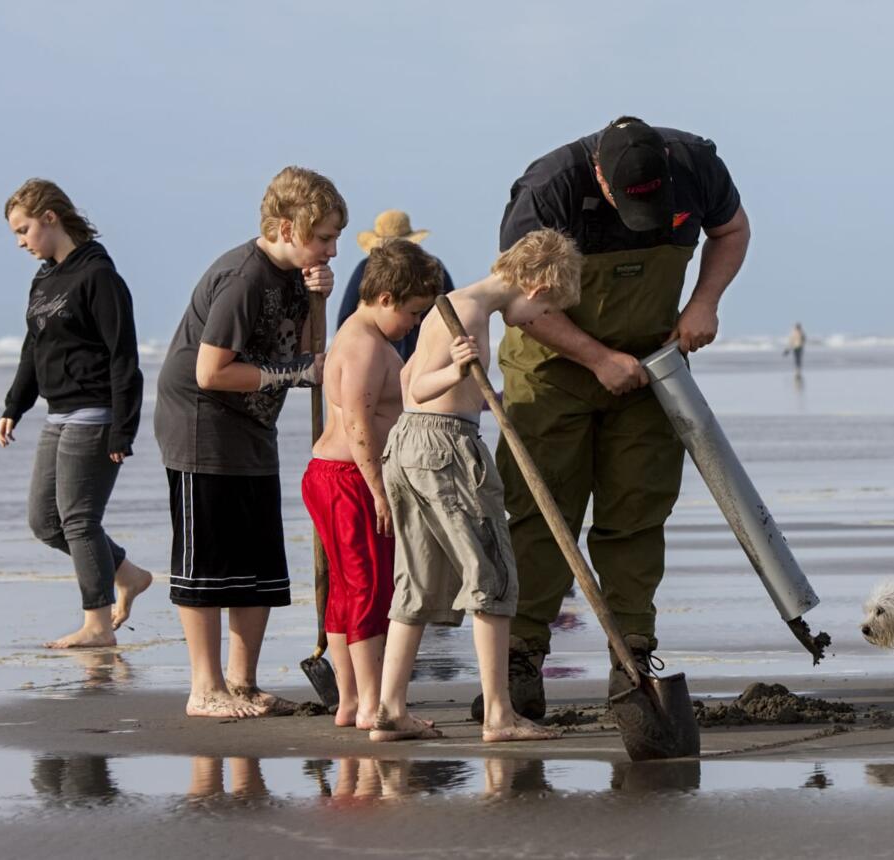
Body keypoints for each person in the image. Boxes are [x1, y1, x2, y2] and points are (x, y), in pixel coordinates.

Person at [494, 116, 750, 716]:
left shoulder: (698, 166)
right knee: (540, 512)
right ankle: (520, 658)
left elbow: (732, 230)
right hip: (552, 370)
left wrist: (704, 303)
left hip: (652, 367)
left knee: (638, 507)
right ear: (601, 179)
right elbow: (514, 300)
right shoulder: (548, 188)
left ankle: (632, 655)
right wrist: (596, 356)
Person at [370, 228, 581, 743]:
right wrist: (458, 371)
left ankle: (391, 709)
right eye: (548, 309)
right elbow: (421, 385)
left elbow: (405, 386)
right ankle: (499, 716)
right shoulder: (464, 314)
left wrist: (481, 394)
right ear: (534, 288)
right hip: (445, 448)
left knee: (416, 582)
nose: (538, 323)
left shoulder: (455, 303)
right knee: (494, 576)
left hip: (411, 446)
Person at [155, 166, 345, 718]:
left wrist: (321, 300)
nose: (332, 250)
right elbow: (211, 372)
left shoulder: (296, 276)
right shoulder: (244, 278)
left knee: (259, 559)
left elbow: (309, 352)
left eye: (334, 238)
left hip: (253, 425)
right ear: (286, 228)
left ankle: (242, 682)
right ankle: (204, 687)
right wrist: (292, 375)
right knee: (207, 558)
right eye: (323, 237)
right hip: (201, 421)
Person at [0, 179, 152, 649]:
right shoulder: (45, 278)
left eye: (24, 230)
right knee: (45, 522)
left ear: (50, 217)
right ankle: (127, 573)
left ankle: (98, 625)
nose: (21, 242)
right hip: (58, 413)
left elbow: (124, 355)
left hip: (95, 413)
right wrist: (14, 405)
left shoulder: (98, 275)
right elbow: (34, 347)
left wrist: (122, 429)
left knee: (79, 520)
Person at [301, 240, 445, 730]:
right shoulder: (363, 343)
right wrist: (379, 488)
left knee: (346, 592)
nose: (414, 324)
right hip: (348, 479)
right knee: (370, 589)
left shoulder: (362, 334)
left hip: (338, 477)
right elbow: (360, 423)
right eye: (412, 313)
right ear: (385, 298)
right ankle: (372, 705)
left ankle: (350, 701)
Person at [335, 209, 454, 359]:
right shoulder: (365, 269)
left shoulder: (431, 271)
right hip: (385, 354)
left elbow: (450, 314)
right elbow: (345, 320)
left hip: (420, 355)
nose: (417, 320)